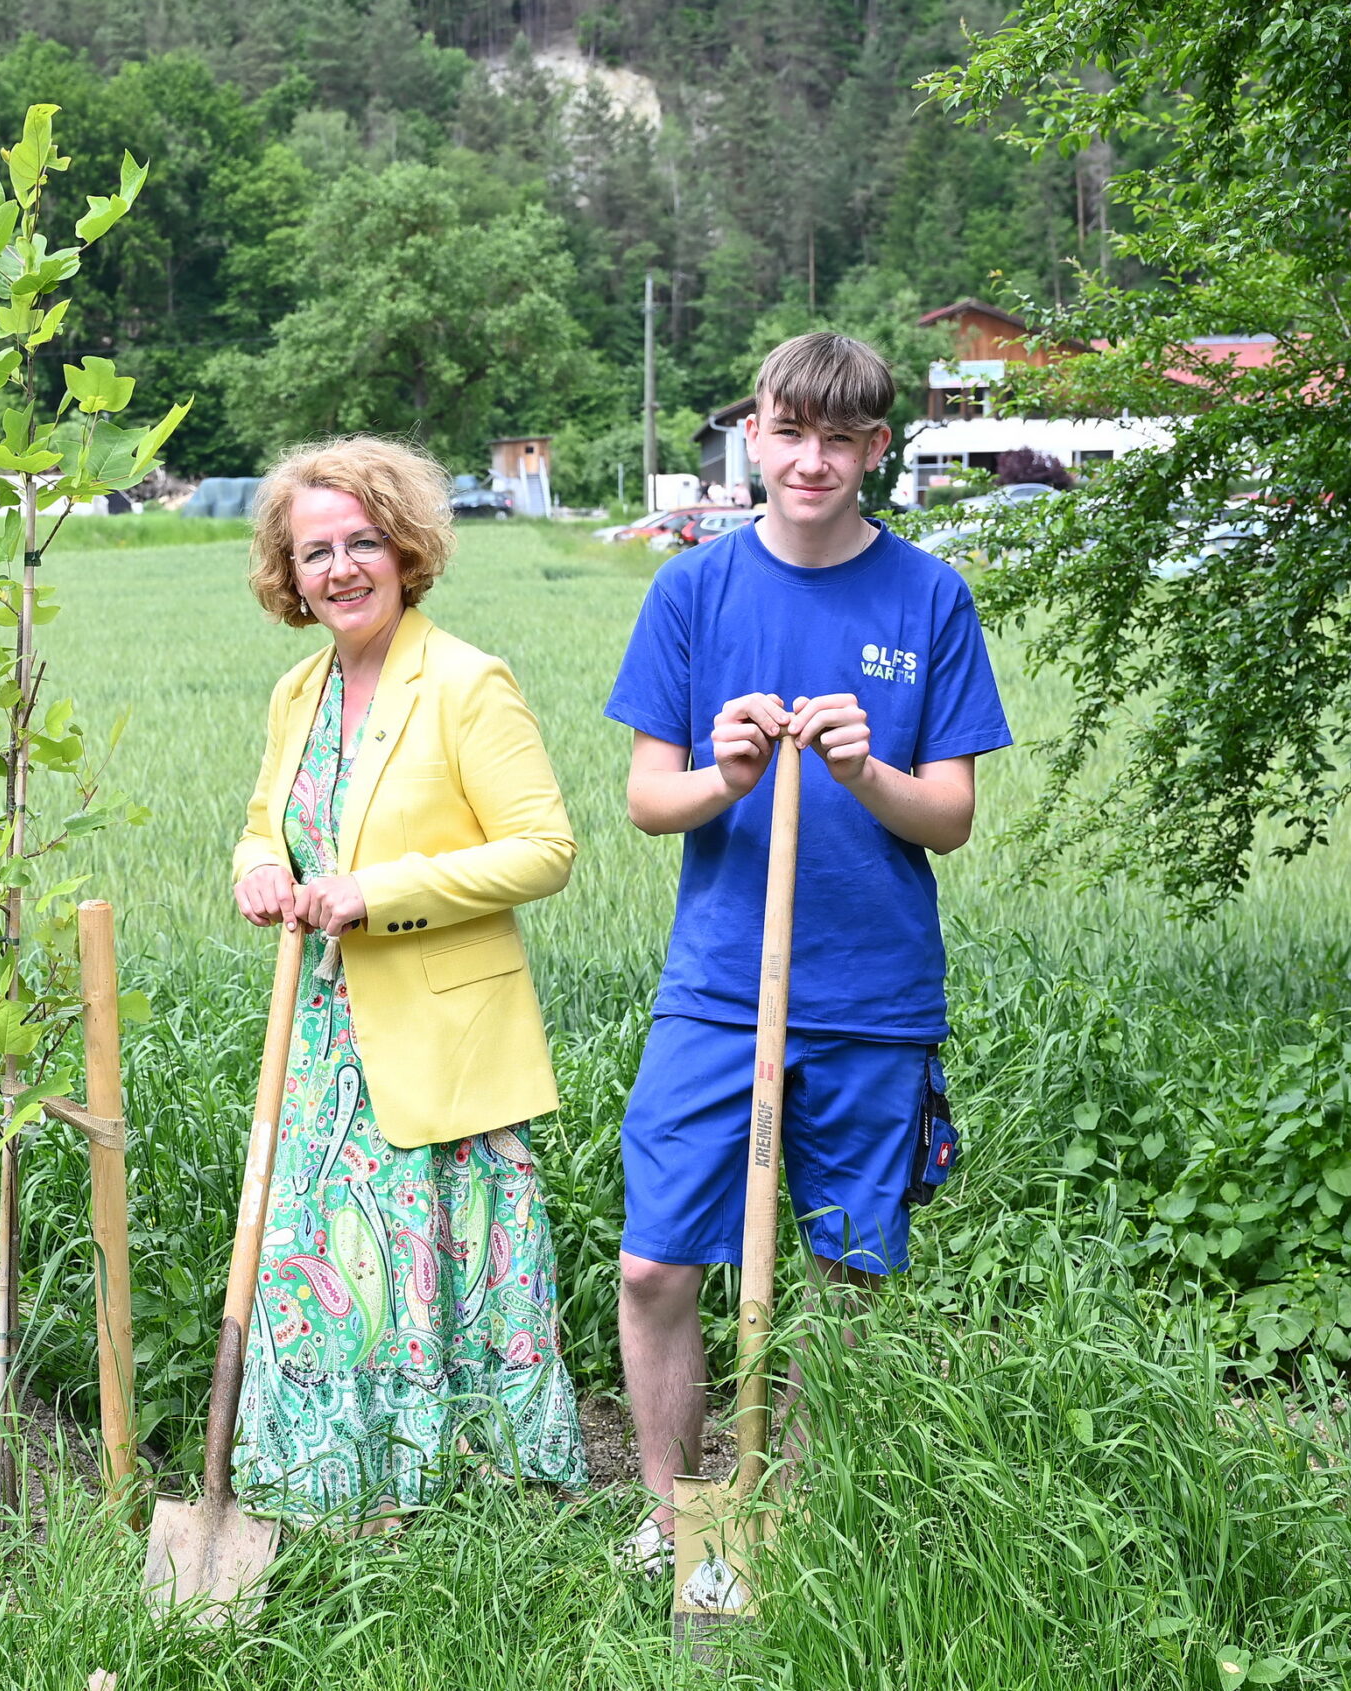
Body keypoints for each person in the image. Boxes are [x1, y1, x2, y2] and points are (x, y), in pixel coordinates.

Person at [603, 331, 1014, 1570]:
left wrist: (865, 767)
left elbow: (946, 817)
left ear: (876, 448)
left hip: (872, 995)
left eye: (841, 438)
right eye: (791, 432)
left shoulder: (929, 596)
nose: (812, 459)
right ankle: (675, 1513)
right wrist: (721, 772)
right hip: (719, 989)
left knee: (842, 1278)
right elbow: (642, 799)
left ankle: (789, 1513)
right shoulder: (693, 591)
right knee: (656, 1262)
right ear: (756, 435)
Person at [227, 435, 587, 1523]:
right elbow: (265, 825)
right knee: (322, 1271)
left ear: (406, 549)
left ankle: (468, 1494)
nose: (339, 568)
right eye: (313, 551)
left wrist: (373, 892)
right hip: (324, 1037)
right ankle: (330, 1486)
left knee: (440, 1274)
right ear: (288, 575)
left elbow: (545, 848)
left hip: (440, 1041)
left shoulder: (466, 681)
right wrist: (257, 870)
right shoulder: (300, 687)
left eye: (361, 543)